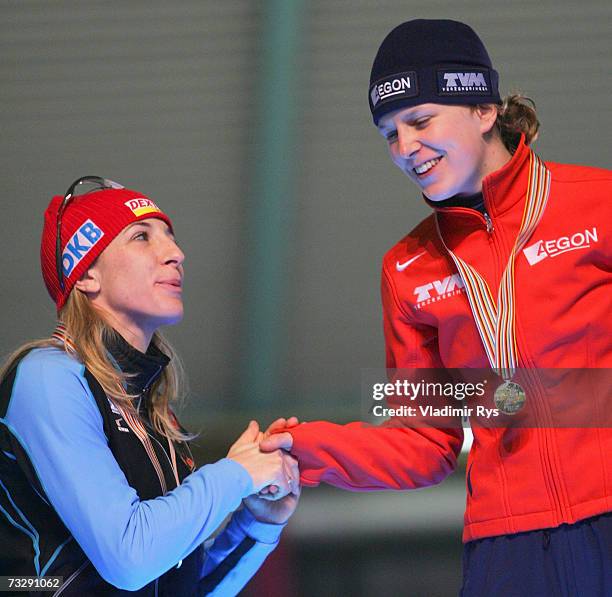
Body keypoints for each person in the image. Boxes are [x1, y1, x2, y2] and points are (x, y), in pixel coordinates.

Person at [260, 19, 612, 595]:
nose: (405, 149)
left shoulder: (597, 204)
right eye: (389, 134)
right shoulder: (408, 268)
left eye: (420, 121)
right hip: (506, 545)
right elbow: (423, 443)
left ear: (483, 108)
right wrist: (308, 446)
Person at [0, 177, 300, 596]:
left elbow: (179, 585)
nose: (176, 254)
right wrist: (237, 474)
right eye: (141, 237)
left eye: (171, 238)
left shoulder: (152, 413)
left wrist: (259, 523)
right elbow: (130, 558)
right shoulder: (48, 377)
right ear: (86, 273)